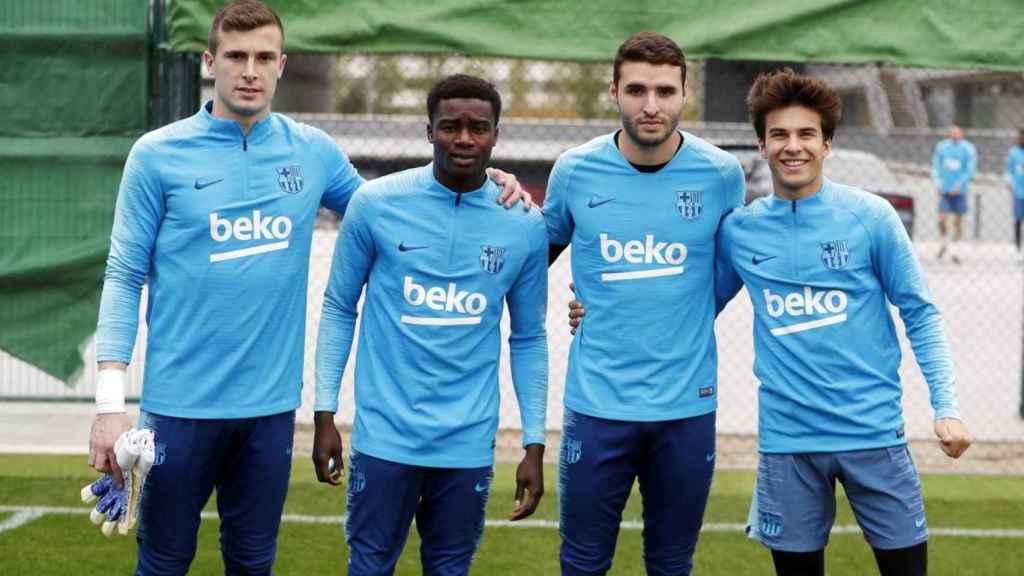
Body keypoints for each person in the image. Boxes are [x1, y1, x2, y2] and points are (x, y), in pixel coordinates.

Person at [88, 2, 530, 573]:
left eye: (264, 57)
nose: (250, 70)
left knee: (253, 561)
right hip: (177, 411)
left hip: (271, 414)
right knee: (163, 562)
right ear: (209, 61)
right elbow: (123, 276)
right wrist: (107, 408)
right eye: (236, 56)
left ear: (281, 65)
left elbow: (392, 214)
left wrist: (481, 182)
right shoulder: (156, 156)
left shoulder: (312, 151)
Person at [713, 69, 971, 576]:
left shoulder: (870, 217)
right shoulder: (739, 231)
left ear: (827, 142)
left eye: (806, 134)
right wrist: (598, 309)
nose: (793, 146)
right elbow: (694, 306)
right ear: (761, 145)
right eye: (780, 135)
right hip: (788, 443)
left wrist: (947, 405)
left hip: (873, 436)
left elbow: (919, 312)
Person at [312, 74, 549, 576]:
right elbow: (338, 308)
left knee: (449, 568)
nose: (464, 138)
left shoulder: (524, 224)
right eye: (450, 126)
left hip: (467, 444)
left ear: (496, 135)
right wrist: (324, 413)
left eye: (478, 128)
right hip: (384, 439)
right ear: (428, 132)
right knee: (370, 565)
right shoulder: (376, 205)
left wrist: (534, 442)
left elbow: (529, 337)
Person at [543, 32, 745, 576]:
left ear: (685, 93)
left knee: (672, 564)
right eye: (636, 89)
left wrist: (670, 310)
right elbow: (530, 258)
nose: (650, 105)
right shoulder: (574, 170)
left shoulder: (722, 175)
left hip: (686, 409)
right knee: (582, 563)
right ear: (614, 91)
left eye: (664, 90)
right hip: (596, 406)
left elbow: (727, 277)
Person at [932, 123, 977, 263]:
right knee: (942, 218)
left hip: (959, 191)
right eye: (952, 132)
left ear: (962, 133)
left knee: (958, 222)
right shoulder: (942, 147)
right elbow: (936, 166)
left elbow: (970, 169)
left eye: (957, 132)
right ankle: (944, 242)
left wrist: (959, 185)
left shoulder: (968, 149)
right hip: (945, 189)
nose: (955, 134)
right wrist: (938, 184)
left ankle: (956, 250)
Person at [1006, 129, 1024, 253]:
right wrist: (1009, 182)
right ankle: (1017, 246)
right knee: (1018, 219)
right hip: (1019, 192)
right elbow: (1009, 170)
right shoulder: (1013, 153)